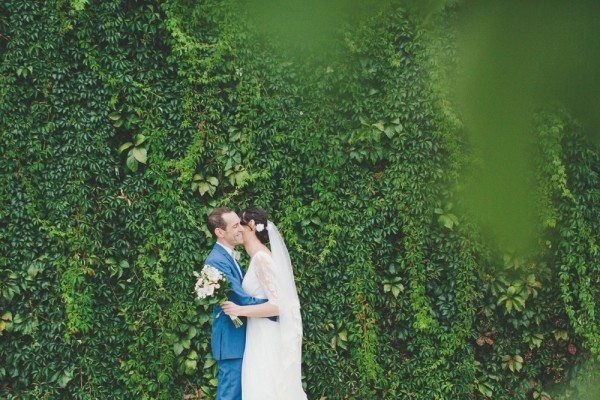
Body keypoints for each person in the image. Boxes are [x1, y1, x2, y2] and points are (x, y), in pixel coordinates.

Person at [221, 207, 307, 400]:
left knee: (265, 387)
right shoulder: (257, 257)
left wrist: (240, 309)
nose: (237, 230)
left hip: (265, 334)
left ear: (251, 225)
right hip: (258, 331)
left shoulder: (261, 258)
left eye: (239, 225)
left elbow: (278, 305)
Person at [205, 207, 275, 400]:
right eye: (235, 226)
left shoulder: (230, 256)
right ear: (220, 232)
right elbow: (241, 299)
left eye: (239, 224)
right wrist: (276, 306)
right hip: (231, 340)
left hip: (241, 337)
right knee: (230, 395)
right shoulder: (217, 260)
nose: (241, 229)